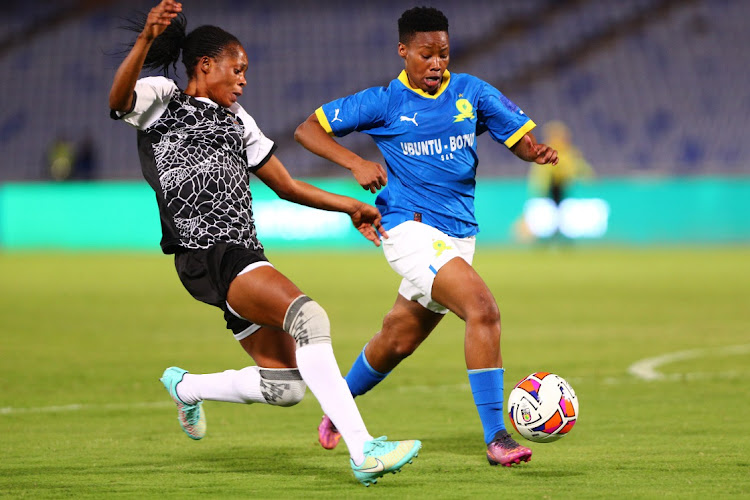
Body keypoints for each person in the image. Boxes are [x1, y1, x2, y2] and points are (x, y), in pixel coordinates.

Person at [108, 0, 420, 486]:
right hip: (207, 251)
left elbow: (288, 186)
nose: (243, 80)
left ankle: (186, 387)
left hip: (241, 255)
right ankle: (364, 450)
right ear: (205, 66)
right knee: (309, 318)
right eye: (237, 69)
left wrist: (349, 205)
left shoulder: (239, 121)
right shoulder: (162, 97)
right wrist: (146, 38)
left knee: (286, 385)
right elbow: (117, 100)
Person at [294, 6, 558, 467]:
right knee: (483, 309)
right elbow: (307, 130)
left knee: (398, 337)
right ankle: (498, 437)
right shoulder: (384, 102)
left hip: (460, 236)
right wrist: (355, 163)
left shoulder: (470, 91)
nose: (436, 63)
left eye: (443, 54)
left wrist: (532, 153)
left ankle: (337, 409)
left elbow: (516, 136)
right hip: (409, 228)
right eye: (426, 54)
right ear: (404, 52)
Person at [526, 120, 594, 240]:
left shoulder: (562, 151)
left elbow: (576, 165)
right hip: (553, 184)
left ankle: (554, 233)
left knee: (556, 209)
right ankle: (551, 233)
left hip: (559, 184)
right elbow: (542, 171)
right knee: (553, 210)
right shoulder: (556, 151)